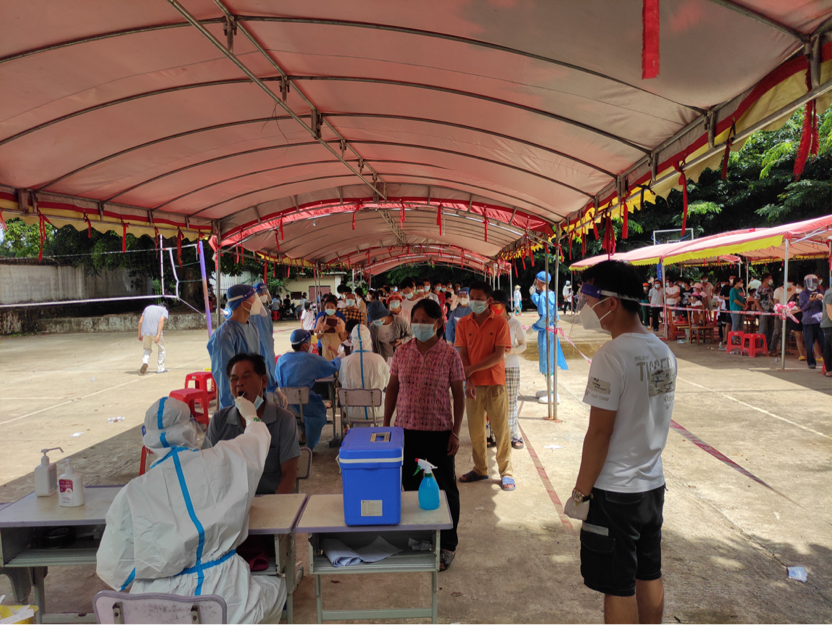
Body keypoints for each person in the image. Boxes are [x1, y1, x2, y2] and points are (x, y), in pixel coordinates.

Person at [97, 396, 284, 625]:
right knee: (278, 587)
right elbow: (255, 442)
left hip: (156, 609)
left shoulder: (132, 493)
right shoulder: (222, 460)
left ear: (148, 439)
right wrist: (251, 416)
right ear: (191, 428)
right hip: (224, 597)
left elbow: (115, 568)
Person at [565, 260, 677, 625]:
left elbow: (600, 432)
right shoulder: (662, 351)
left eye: (588, 300)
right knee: (648, 571)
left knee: (618, 585)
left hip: (615, 491)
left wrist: (580, 494)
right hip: (651, 485)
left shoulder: (611, 355)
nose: (584, 309)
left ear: (610, 303)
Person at [384, 298, 465, 571]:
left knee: (445, 488)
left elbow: (459, 395)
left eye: (425, 321)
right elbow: (392, 388)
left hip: (439, 433)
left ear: (439, 323)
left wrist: (456, 432)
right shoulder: (401, 353)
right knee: (411, 487)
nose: (419, 325)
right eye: (415, 321)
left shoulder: (450, 355)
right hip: (406, 432)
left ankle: (448, 544)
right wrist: (387, 424)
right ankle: (419, 538)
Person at [203, 353, 299, 495]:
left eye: (246, 376)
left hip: (270, 500)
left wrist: (276, 506)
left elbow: (289, 474)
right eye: (234, 379)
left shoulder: (284, 420)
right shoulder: (219, 420)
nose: (239, 383)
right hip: (229, 502)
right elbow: (206, 468)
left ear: (263, 381)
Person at [455, 280, 515, 491]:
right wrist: (469, 378)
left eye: (479, 299)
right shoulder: (463, 323)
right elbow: (462, 354)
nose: (474, 302)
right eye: (472, 298)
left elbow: (499, 355)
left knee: (500, 429)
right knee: (475, 430)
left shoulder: (500, 323)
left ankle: (506, 472)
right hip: (473, 385)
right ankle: (480, 469)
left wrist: (471, 369)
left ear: (489, 300)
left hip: (495, 383)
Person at [275, 329, 341, 451]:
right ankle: (309, 445)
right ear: (305, 345)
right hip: (305, 405)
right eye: (310, 342)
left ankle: (299, 433)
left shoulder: (281, 359)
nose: (311, 345)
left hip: (285, 404)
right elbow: (332, 367)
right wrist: (339, 357)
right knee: (319, 414)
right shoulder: (311, 359)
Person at [208, 285, 262, 409]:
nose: (257, 301)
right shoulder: (224, 335)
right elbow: (225, 378)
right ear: (243, 304)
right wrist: (236, 410)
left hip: (254, 399)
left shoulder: (253, 327)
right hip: (236, 405)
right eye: (253, 297)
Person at [338, 324, 391, 424]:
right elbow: (388, 381)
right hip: (377, 411)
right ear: (369, 339)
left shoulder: (345, 361)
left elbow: (341, 380)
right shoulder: (378, 359)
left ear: (352, 340)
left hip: (352, 412)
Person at [494, 290, 526, 449]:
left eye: (496, 304)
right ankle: (494, 433)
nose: (493, 307)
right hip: (493, 367)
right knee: (494, 402)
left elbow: (523, 345)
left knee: (511, 401)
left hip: (511, 366)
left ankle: (513, 434)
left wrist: (512, 350)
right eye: (491, 304)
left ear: (504, 305)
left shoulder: (514, 324)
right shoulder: (489, 323)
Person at [530, 271, 569, 406]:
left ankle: (554, 394)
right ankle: (550, 390)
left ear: (538, 281)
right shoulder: (549, 294)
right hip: (549, 331)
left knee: (548, 363)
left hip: (546, 331)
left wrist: (534, 327)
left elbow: (545, 317)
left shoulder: (544, 296)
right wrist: (534, 295)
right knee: (547, 361)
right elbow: (543, 305)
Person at [250, 282, 278, 393]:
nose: (264, 295)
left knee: (269, 374)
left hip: (268, 347)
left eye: (265, 292)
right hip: (255, 349)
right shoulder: (250, 312)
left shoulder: (266, 311)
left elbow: (270, 331)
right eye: (261, 293)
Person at [799, 274, 827, 370]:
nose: (813, 283)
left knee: (824, 343)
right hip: (808, 322)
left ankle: (827, 363)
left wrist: (821, 300)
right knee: (809, 344)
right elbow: (803, 307)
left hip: (820, 321)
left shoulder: (821, 292)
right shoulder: (803, 294)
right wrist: (810, 301)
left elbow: (826, 307)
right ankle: (811, 362)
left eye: (815, 281)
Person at [137, 301, 169, 375]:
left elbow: (140, 322)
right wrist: (158, 334)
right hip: (155, 332)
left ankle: (145, 362)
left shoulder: (147, 308)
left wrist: (139, 334)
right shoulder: (164, 310)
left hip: (145, 332)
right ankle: (160, 368)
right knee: (161, 349)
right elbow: (161, 321)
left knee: (147, 349)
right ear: (165, 307)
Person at [315, 296, 348, 361]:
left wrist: (339, 331)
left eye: (332, 307)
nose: (329, 309)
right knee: (327, 365)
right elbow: (318, 337)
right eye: (327, 307)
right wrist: (322, 330)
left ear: (336, 308)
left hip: (337, 349)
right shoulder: (321, 320)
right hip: (325, 349)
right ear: (324, 308)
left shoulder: (340, 321)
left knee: (337, 365)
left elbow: (343, 338)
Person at [820, 282, 832, 376]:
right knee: (828, 348)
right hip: (829, 324)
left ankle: (829, 369)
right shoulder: (830, 293)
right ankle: (829, 369)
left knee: (828, 347)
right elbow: (829, 310)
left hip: (828, 324)